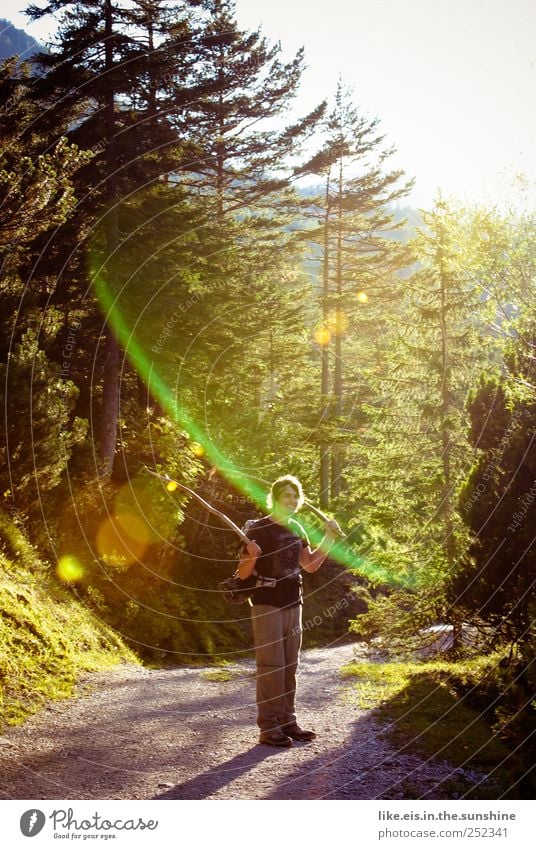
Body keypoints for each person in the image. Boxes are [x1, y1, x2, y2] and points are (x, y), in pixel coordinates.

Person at [238, 475, 340, 747]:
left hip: (294, 602)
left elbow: (310, 565)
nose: (292, 501)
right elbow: (242, 574)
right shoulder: (258, 529)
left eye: (296, 496)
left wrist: (329, 537)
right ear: (274, 499)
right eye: (286, 496)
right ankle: (268, 727)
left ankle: (287, 722)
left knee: (290, 665)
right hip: (266, 603)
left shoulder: (297, 528)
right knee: (271, 665)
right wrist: (252, 556)